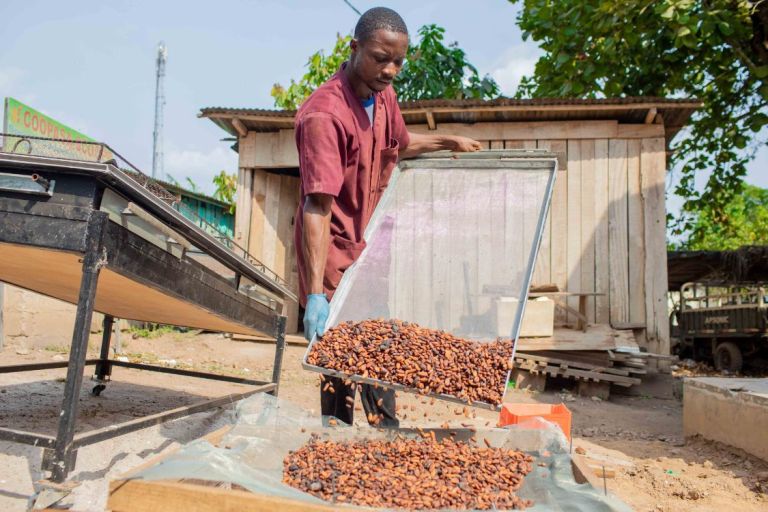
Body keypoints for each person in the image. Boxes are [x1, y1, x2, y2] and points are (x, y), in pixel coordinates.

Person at [295, 7, 482, 427]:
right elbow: (317, 207)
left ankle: (385, 436)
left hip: (371, 248)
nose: (391, 69)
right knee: (339, 362)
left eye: (398, 60)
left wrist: (446, 140)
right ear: (354, 48)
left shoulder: (383, 96)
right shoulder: (325, 115)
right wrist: (315, 294)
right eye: (381, 57)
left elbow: (398, 143)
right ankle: (337, 439)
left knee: (379, 347)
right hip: (333, 251)